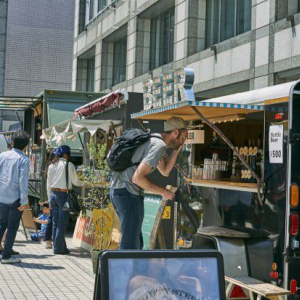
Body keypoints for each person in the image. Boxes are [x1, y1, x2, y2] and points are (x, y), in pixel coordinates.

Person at [110, 116, 188, 249]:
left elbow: (164, 171)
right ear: (175, 132)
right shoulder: (158, 145)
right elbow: (137, 178)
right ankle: (127, 269)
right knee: (130, 245)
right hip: (128, 194)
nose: (183, 141)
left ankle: (134, 268)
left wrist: (176, 152)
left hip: (119, 191)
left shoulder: (155, 140)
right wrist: (163, 192)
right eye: (183, 138)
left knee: (135, 241)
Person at [47, 145, 84, 255]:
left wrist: (49, 198)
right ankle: (58, 249)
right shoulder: (69, 165)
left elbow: (48, 184)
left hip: (53, 194)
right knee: (62, 223)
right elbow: (75, 182)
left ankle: (61, 247)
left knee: (55, 222)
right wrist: (85, 183)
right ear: (65, 154)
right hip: (63, 195)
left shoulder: (51, 165)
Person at [0, 130, 30, 264]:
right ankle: (6, 255)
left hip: (1, 195)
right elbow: (23, 181)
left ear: (12, 142)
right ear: (26, 146)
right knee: (12, 227)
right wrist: (24, 201)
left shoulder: (2, 156)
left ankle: (6, 250)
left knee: (2, 224)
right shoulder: (24, 159)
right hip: (15, 198)